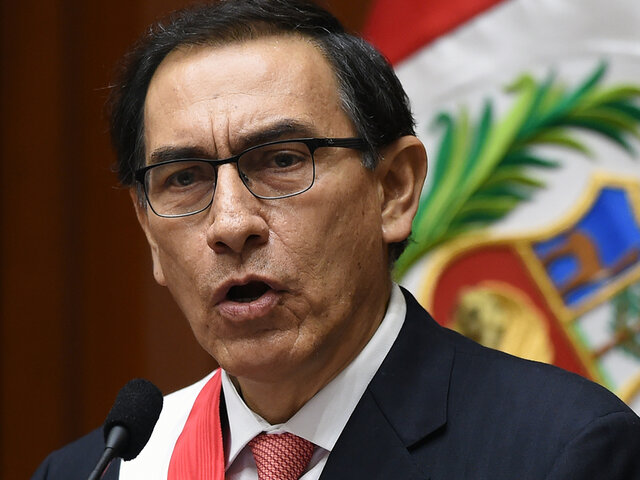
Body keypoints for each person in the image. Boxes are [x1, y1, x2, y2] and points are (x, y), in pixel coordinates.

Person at [33, 1, 640, 479]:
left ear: (394, 190)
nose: (230, 224)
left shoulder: (559, 451)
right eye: (184, 178)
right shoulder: (102, 469)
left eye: (282, 160)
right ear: (148, 231)